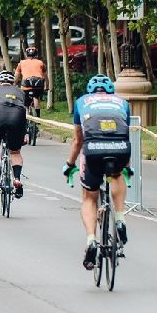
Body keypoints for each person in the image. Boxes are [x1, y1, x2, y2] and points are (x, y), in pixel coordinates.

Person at [64, 74, 132, 270]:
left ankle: (92, 240)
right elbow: (124, 134)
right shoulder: (122, 103)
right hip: (120, 148)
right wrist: (127, 166)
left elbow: (78, 140)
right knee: (117, 174)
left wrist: (69, 164)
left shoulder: (81, 102)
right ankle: (120, 219)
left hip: (93, 149)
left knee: (89, 198)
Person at [15, 45, 48, 117]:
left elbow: (17, 75)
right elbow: (45, 76)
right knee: (36, 98)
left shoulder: (21, 63)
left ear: (27, 55)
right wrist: (46, 86)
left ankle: (27, 117)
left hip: (26, 85)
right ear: (36, 54)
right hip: (38, 85)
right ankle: (38, 117)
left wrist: (14, 83)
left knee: (26, 104)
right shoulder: (40, 62)